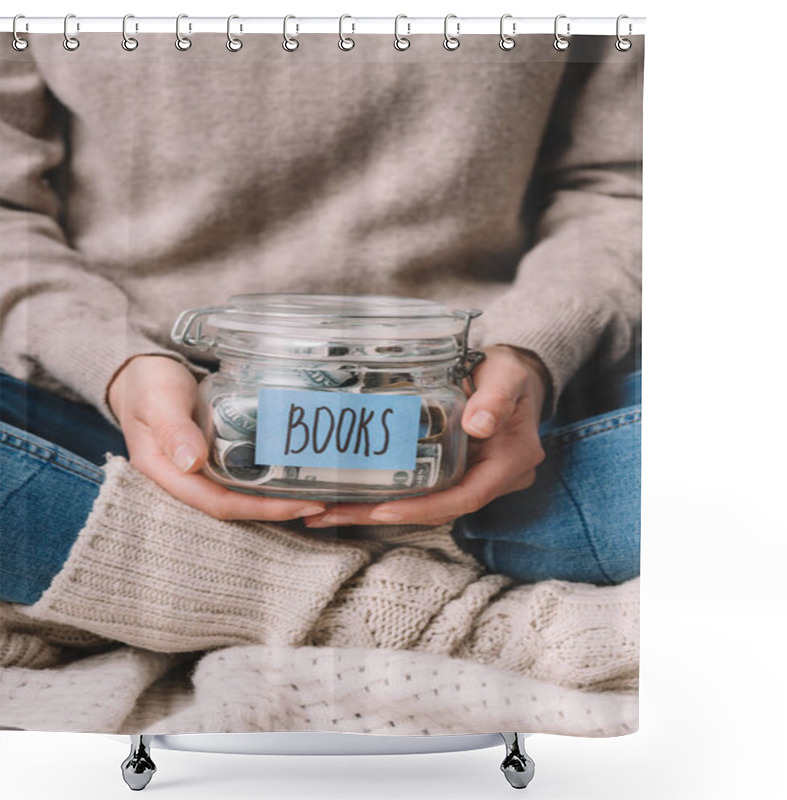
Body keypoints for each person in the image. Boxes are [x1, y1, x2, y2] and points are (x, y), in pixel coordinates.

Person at [0, 31, 642, 613]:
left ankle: (182, 577)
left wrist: (531, 349)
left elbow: (624, 187)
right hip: (127, 427)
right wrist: (114, 365)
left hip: (491, 428)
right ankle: (421, 581)